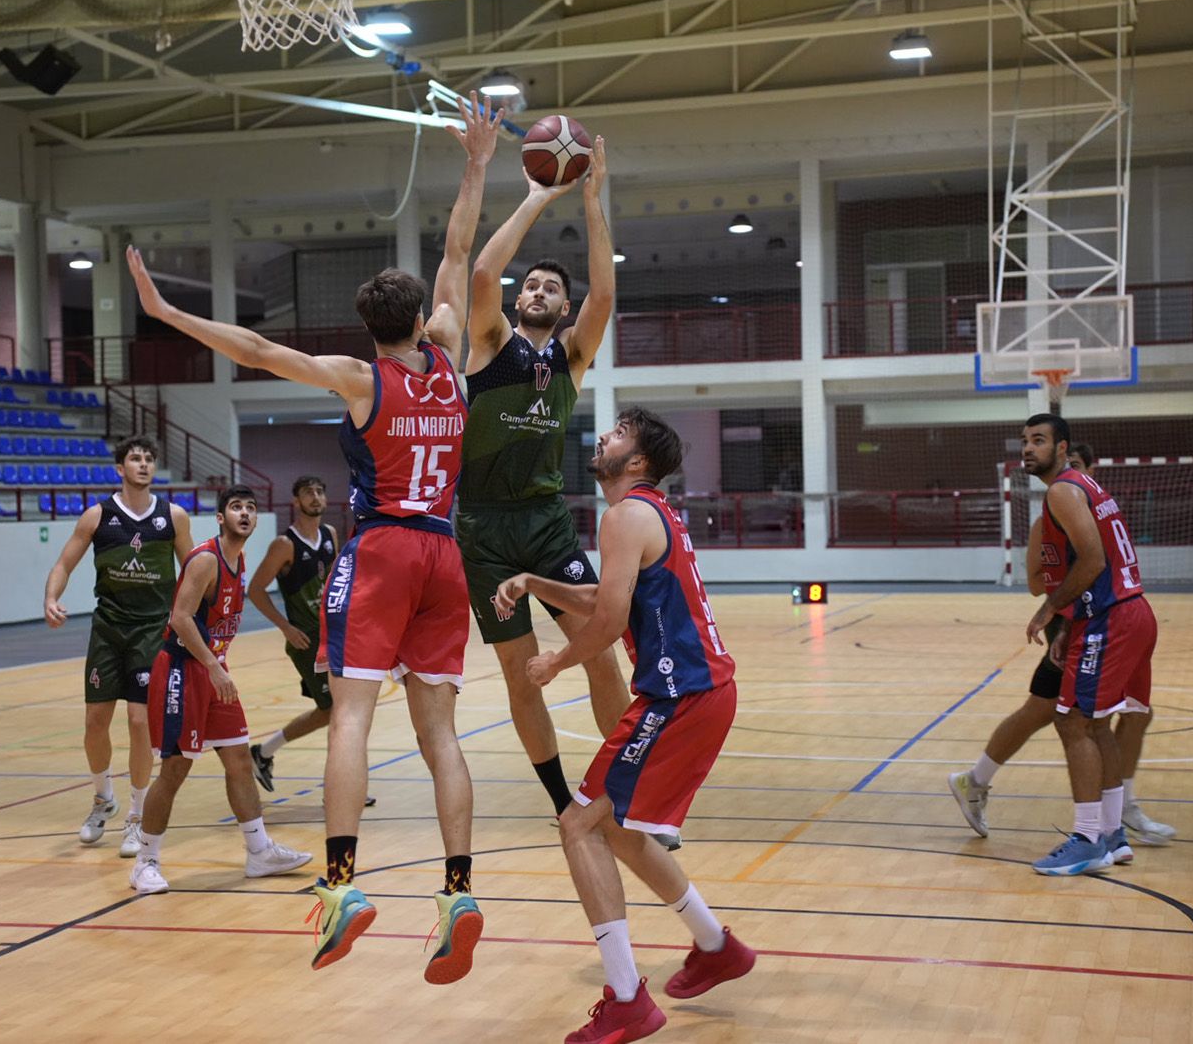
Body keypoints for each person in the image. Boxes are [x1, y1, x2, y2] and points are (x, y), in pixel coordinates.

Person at [127, 92, 502, 985]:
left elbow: (254, 348)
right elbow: (457, 250)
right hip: (448, 553)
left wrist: (168, 313)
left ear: (370, 330)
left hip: (381, 549)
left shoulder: (358, 378)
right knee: (443, 734)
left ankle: (342, 884)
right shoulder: (448, 360)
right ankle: (456, 891)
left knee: (351, 714)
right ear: (422, 322)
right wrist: (478, 159)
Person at [501, 407, 755, 1043]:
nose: (604, 438)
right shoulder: (648, 515)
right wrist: (536, 582)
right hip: (700, 694)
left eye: (617, 435)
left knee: (579, 824)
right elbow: (606, 596)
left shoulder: (625, 515)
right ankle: (714, 944)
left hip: (679, 697)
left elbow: (610, 621)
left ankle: (625, 1000)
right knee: (619, 831)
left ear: (636, 462)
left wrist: (557, 659)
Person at [461, 132, 631, 820]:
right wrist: (535, 197)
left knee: (598, 648)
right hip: (482, 529)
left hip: (545, 521)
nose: (536, 290)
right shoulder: (491, 344)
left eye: (550, 288)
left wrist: (591, 199)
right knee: (517, 671)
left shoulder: (572, 357)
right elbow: (481, 274)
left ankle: (624, 786)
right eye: (530, 284)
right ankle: (563, 798)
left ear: (563, 309)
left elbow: (607, 290)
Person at [949, 445, 1176, 846]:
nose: (1069, 475)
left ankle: (1114, 812)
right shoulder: (1051, 518)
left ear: (1088, 473)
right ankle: (1103, 821)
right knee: (1058, 714)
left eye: (1075, 467)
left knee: (1127, 714)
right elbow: (1039, 581)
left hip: (1099, 616)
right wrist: (1061, 607)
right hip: (1073, 621)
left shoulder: (1093, 508)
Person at [129, 485, 313, 893]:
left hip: (213, 671)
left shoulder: (239, 558)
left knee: (239, 762)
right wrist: (214, 666)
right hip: (182, 670)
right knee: (175, 768)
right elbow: (179, 618)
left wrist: (215, 666)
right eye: (235, 507)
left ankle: (259, 851)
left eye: (250, 508)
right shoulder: (206, 559)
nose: (244, 513)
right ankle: (145, 861)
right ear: (220, 518)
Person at [1017, 414, 1158, 876]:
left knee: (1071, 722)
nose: (1028, 448)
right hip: (1131, 613)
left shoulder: (1062, 490)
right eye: (1024, 441)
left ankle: (1086, 838)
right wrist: (1073, 624)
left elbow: (1094, 560)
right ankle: (1113, 835)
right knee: (1096, 726)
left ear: (1062, 449)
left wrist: (1051, 610)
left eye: (1039, 440)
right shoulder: (1086, 487)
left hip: (1113, 617)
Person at [45, 435, 193, 857]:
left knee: (139, 721)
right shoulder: (98, 515)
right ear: (119, 468)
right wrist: (51, 598)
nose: (143, 464)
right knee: (95, 721)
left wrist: (194, 619)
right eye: (135, 458)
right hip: (109, 627)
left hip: (152, 629)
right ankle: (101, 799)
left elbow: (194, 570)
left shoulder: (173, 517)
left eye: (149, 458)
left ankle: (137, 814)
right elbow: (63, 563)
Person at [246, 475, 375, 808]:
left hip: (333, 639)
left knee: (331, 711)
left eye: (320, 491)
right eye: (308, 492)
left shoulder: (330, 535)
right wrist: (285, 627)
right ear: (295, 501)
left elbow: (336, 584)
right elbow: (256, 590)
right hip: (306, 643)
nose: (316, 497)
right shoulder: (284, 544)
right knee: (337, 711)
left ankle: (263, 752)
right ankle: (339, 788)